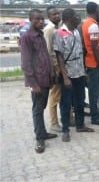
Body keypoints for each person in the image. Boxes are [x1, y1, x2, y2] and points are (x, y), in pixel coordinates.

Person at [54, 8, 95, 142]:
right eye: (77, 16)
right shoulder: (60, 33)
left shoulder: (77, 32)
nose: (79, 18)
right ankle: (65, 129)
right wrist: (65, 77)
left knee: (80, 100)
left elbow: (81, 53)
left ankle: (80, 124)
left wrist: (84, 72)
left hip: (79, 73)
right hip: (68, 74)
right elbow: (59, 56)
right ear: (69, 17)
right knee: (66, 103)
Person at [20, 9, 57, 153]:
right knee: (37, 109)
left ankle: (42, 132)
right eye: (37, 19)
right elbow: (26, 63)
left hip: (45, 79)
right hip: (37, 81)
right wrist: (33, 83)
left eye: (42, 19)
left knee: (41, 108)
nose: (41, 21)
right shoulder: (27, 37)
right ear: (30, 19)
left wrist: (51, 74)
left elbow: (45, 57)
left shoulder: (40, 35)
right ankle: (39, 139)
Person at [81, 2, 99, 125]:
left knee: (94, 91)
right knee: (94, 92)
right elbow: (94, 47)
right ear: (96, 10)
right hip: (94, 63)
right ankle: (94, 117)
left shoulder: (87, 23)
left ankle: (96, 114)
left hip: (92, 62)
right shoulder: (93, 26)